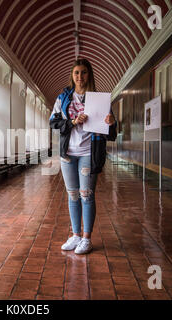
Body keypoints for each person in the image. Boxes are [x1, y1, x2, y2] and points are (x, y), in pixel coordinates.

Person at [49, 59, 117, 254]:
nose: (80, 77)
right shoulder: (63, 97)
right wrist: (72, 121)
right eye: (77, 73)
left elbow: (111, 134)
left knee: (86, 195)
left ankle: (86, 238)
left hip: (89, 152)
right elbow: (53, 123)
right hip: (68, 153)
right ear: (72, 75)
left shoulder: (100, 100)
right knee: (72, 195)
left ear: (89, 75)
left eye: (84, 72)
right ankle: (76, 235)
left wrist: (111, 122)